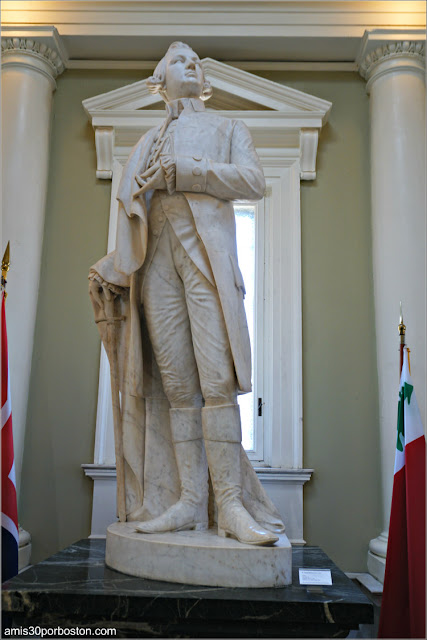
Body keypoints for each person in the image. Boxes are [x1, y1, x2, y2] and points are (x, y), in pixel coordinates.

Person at [89, 42, 285, 546]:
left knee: (216, 383)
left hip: (205, 266)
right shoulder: (145, 142)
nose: (192, 65)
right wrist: (114, 267)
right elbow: (132, 220)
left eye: (196, 61)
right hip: (156, 270)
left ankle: (233, 507)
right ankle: (190, 503)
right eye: (180, 60)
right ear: (161, 79)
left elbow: (254, 181)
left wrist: (189, 172)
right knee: (178, 389)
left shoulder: (227, 129)